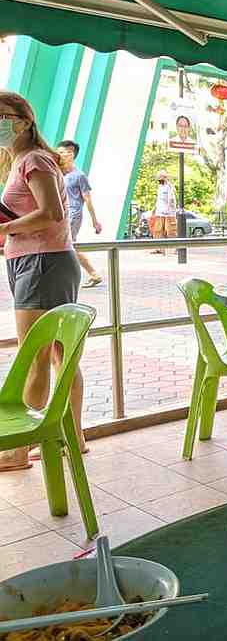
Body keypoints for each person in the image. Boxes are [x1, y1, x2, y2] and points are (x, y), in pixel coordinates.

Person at [0, 92, 88, 470]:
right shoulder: (20, 160)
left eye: (3, 116)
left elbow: (52, 213)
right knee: (55, 353)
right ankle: (74, 437)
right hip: (34, 260)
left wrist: (7, 227)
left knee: (35, 354)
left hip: (43, 261)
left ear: (24, 120)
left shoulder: (33, 159)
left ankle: (20, 450)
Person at [56, 140, 103, 287]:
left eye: (62, 152)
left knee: (67, 244)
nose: (59, 154)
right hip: (62, 215)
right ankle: (94, 274)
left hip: (74, 214)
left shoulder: (79, 176)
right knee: (69, 244)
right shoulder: (59, 173)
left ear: (71, 154)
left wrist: (95, 221)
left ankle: (85, 274)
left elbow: (87, 199)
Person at [149, 170, 177, 254]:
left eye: (161, 177)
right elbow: (159, 199)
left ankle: (177, 248)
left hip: (169, 213)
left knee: (171, 231)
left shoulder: (170, 187)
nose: (159, 179)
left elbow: (171, 200)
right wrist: (154, 209)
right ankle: (159, 248)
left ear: (165, 178)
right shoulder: (160, 187)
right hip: (159, 212)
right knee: (157, 230)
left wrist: (168, 209)